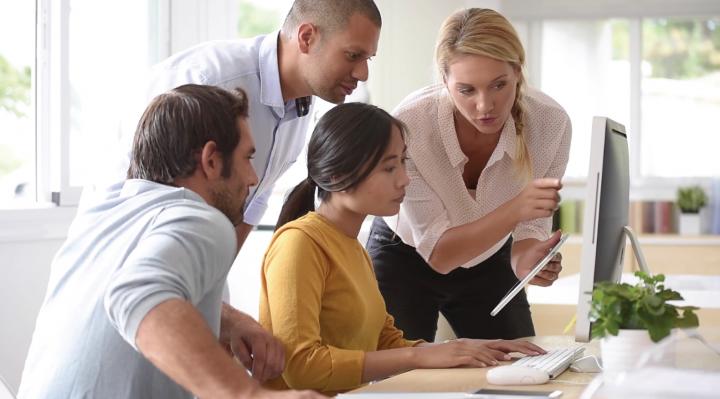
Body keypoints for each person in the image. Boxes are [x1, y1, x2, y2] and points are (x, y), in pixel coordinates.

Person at [18, 85, 322, 399]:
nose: (253, 178)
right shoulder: (203, 219)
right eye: (247, 158)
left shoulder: (102, 214)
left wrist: (226, 319)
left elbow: (128, 286)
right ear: (211, 161)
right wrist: (247, 394)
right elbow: (136, 292)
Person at [258, 103, 547, 396]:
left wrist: (459, 350)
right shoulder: (299, 244)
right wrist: (420, 356)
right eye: (388, 167)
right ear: (335, 176)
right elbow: (300, 367)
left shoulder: (353, 248)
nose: (404, 178)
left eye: (402, 162)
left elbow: (385, 342)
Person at [366, 8, 572, 342]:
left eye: (498, 85)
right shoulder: (409, 125)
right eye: (467, 90)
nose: (485, 106)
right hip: (405, 254)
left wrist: (529, 263)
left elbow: (528, 230)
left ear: (517, 72)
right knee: (401, 380)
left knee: (519, 367)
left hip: (490, 256)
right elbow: (440, 255)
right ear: (444, 81)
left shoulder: (550, 124)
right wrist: (518, 208)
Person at [144, 0, 381, 248]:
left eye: (368, 59)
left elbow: (256, 198)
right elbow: (148, 195)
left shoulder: (301, 103)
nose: (363, 74)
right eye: (353, 55)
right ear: (307, 37)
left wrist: (217, 271)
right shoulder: (209, 80)